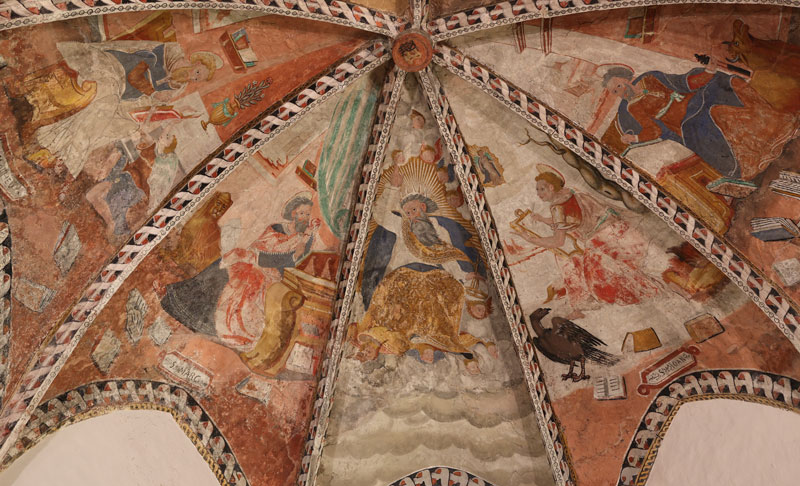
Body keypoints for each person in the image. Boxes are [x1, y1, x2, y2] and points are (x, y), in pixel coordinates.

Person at [353, 161, 494, 373]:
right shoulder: (402, 226)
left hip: (436, 274)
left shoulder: (438, 230)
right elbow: (379, 213)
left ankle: (436, 339)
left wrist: (464, 275)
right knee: (400, 298)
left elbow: (447, 256)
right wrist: (393, 187)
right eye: (408, 212)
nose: (412, 215)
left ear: (423, 208)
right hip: (405, 274)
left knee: (449, 291)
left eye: (414, 210)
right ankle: (404, 338)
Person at [157, 193, 325, 353]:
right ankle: (182, 300)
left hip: (269, 274)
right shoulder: (276, 228)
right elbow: (259, 245)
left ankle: (213, 325)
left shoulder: (301, 239)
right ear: (294, 213)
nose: (305, 217)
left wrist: (309, 235)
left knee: (244, 279)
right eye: (302, 213)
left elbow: (293, 260)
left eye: (307, 214)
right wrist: (251, 256)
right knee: (222, 266)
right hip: (254, 260)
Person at [33, 41, 221, 179]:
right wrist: (154, 94)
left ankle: (55, 144)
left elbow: (149, 106)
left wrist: (164, 116)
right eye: (197, 72)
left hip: (123, 96)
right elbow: (135, 76)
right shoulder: (165, 54)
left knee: (125, 127)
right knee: (106, 104)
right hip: (111, 69)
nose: (192, 78)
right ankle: (63, 158)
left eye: (197, 79)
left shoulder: (176, 86)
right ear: (196, 62)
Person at [598, 64, 798, 181]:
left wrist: (708, 72)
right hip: (684, 121)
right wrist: (634, 138)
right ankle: (747, 161)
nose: (619, 92)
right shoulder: (632, 108)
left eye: (618, 86)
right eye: (614, 92)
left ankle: (775, 125)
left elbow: (682, 83)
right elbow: (654, 130)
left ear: (625, 78)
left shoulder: (650, 77)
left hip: (695, 99)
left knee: (725, 83)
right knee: (706, 121)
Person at [512, 164, 658, 314]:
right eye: (537, 190)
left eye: (541, 189)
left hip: (601, 239)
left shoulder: (557, 208)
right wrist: (543, 219)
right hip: (618, 228)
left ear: (551, 187)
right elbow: (570, 217)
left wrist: (529, 238)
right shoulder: (572, 192)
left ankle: (645, 295)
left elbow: (558, 241)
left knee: (596, 281)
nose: (538, 193)